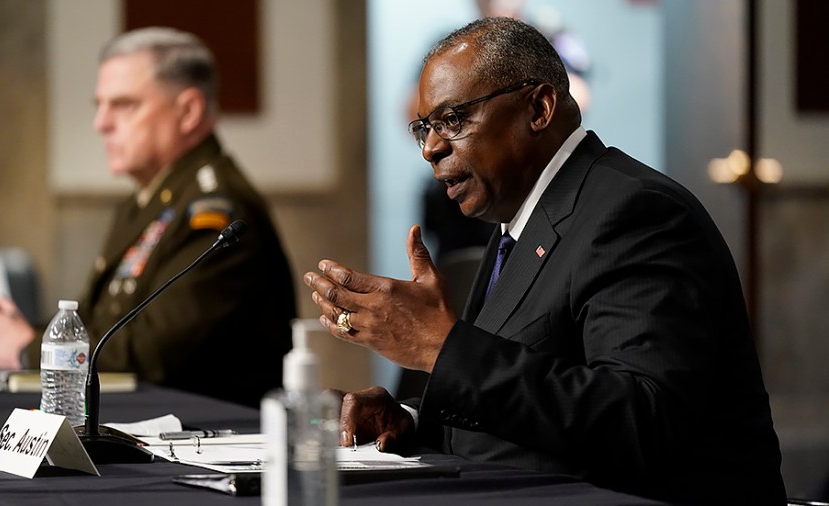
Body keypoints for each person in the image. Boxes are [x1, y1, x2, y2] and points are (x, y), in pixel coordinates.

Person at [304, 17, 786, 504]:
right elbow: (526, 391)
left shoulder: (635, 212)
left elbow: (640, 421)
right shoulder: (519, 218)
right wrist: (409, 419)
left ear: (538, 108)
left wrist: (440, 347)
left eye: (453, 120)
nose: (431, 148)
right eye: (424, 128)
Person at [0, 27, 296, 408]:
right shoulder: (147, 203)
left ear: (188, 112)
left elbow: (153, 353)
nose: (101, 123)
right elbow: (98, 325)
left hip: (207, 440)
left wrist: (24, 346)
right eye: (99, 105)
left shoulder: (217, 211)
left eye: (124, 105)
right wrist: (18, 334)